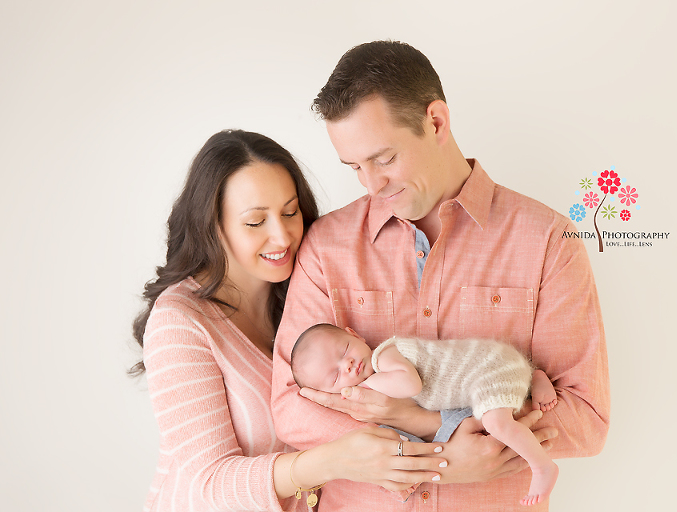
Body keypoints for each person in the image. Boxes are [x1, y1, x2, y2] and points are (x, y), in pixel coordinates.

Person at [271, 40, 609, 511]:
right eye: (354, 167)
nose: (372, 185)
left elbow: (585, 419)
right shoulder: (325, 248)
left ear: (435, 122)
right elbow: (291, 409)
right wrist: (441, 454)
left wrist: (425, 423)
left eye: (385, 158)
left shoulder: (548, 240)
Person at [130, 129, 447, 512]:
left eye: (289, 212)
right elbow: (209, 482)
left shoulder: (307, 298)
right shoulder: (179, 322)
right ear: (212, 225)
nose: (281, 236)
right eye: (254, 222)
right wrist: (332, 461)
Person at [291, 324, 560, 506]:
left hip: (488, 366)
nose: (348, 364)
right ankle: (532, 377)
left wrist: (365, 384)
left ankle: (542, 466)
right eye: (336, 375)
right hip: (485, 378)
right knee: (480, 416)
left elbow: (411, 385)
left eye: (345, 350)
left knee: (495, 422)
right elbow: (426, 432)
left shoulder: (384, 356)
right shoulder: (377, 402)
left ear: (355, 335)